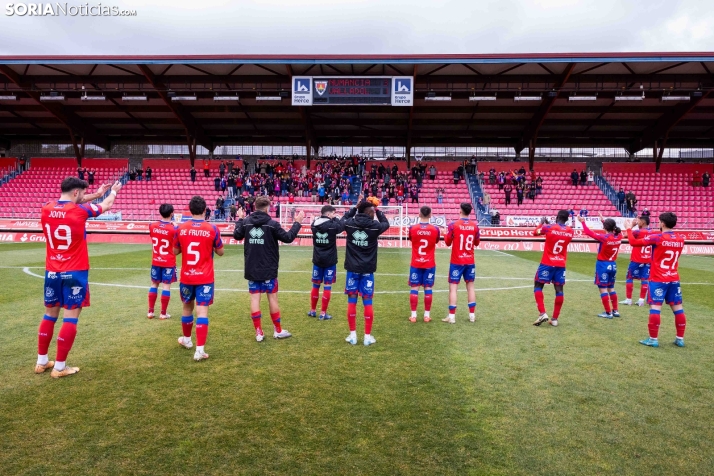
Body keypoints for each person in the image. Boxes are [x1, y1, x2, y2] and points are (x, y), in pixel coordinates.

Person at [36, 177, 121, 378]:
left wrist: (98, 194)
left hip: (52, 271)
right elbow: (107, 205)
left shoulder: (46, 208)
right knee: (71, 317)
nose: (83, 197)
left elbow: (72, 201)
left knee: (49, 314)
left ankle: (41, 362)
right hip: (74, 271)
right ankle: (59, 367)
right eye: (82, 194)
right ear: (76, 193)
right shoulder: (79, 211)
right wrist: (113, 192)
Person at [233, 196, 304, 342]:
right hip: (268, 269)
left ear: (255, 207)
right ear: (268, 208)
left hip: (252, 269)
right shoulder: (272, 224)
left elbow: (237, 235)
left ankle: (259, 332)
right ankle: (277, 330)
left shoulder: (246, 222)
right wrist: (297, 222)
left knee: (254, 299)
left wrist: (240, 219)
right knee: (272, 298)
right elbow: (289, 237)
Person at [174, 196, 224, 361]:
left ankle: (187, 340)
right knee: (202, 311)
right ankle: (199, 350)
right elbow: (220, 252)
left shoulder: (181, 228)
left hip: (187, 277)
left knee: (187, 308)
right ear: (205, 210)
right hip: (205, 277)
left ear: (190, 210)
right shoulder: (212, 229)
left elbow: (175, 252)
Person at [626, 212, 686, 348]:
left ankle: (653, 339)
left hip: (658, 278)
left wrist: (629, 228)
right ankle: (680, 338)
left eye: (659, 222)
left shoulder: (657, 237)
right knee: (678, 309)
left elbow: (633, 242)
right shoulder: (680, 239)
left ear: (662, 223)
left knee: (655, 308)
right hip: (674, 278)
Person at [342, 196, 391, 345]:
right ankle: (367, 337)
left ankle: (353, 336)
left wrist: (354, 209)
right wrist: (378, 211)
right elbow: (386, 223)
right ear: (371, 212)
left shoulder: (350, 224)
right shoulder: (375, 226)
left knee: (352, 301)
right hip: (367, 269)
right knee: (367, 302)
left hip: (352, 269)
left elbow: (342, 220)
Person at [532, 210, 574, 327]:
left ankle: (542, 313)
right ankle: (555, 319)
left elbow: (535, 232)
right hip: (560, 264)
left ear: (557, 217)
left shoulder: (549, 228)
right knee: (559, 290)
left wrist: (541, 224)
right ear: (567, 219)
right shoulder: (570, 231)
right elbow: (559, 231)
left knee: (538, 286)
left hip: (547, 262)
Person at [578, 215, 623, 319]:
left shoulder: (604, 238)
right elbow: (613, 230)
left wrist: (583, 222)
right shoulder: (619, 236)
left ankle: (608, 313)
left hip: (603, 265)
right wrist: (604, 220)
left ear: (605, 228)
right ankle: (615, 310)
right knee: (611, 288)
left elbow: (589, 233)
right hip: (613, 265)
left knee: (603, 289)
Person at [443, 203, 480, 324]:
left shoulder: (453, 225)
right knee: (470, 287)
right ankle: (472, 316)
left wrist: (445, 233)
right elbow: (477, 243)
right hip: (470, 260)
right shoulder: (475, 226)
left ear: (460, 211)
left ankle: (452, 317)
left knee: (453, 288)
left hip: (457, 261)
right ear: (470, 212)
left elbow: (448, 243)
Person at [308, 204, 346, 320]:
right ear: (329, 214)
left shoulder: (314, 224)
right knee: (327, 286)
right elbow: (341, 226)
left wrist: (332, 218)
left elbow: (316, 222)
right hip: (329, 260)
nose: (334, 215)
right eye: (333, 213)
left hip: (317, 259)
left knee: (315, 285)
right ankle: (323, 313)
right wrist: (337, 218)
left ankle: (313, 310)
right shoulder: (333, 226)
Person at [407, 206, 441, 323]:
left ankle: (413, 316)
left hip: (416, 263)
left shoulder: (412, 228)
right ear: (430, 215)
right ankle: (426, 315)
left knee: (414, 288)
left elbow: (411, 239)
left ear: (419, 214)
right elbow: (436, 241)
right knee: (428, 288)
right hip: (429, 264)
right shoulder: (435, 229)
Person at [147, 204, 178, 320]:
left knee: (154, 284)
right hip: (168, 262)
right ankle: (163, 313)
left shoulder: (152, 226)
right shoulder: (174, 229)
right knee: (166, 287)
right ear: (172, 213)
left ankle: (150, 312)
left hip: (156, 261)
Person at [621, 214, 652, 307]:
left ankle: (629, 299)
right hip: (648, 260)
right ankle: (641, 300)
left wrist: (631, 227)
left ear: (642, 222)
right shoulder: (653, 232)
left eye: (638, 221)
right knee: (645, 279)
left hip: (636, 259)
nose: (637, 222)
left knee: (629, 277)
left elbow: (625, 235)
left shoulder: (638, 232)